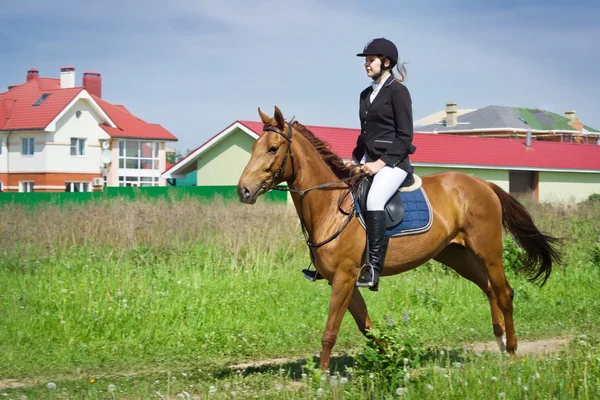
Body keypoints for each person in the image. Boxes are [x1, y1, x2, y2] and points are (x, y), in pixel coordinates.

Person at [351, 37, 416, 291]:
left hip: (394, 163)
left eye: (371, 60)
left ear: (386, 62)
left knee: (374, 200)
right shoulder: (365, 94)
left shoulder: (399, 92)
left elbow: (405, 137)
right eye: (366, 61)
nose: (366, 65)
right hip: (369, 161)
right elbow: (365, 134)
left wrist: (380, 163)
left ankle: (373, 269)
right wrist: (355, 159)